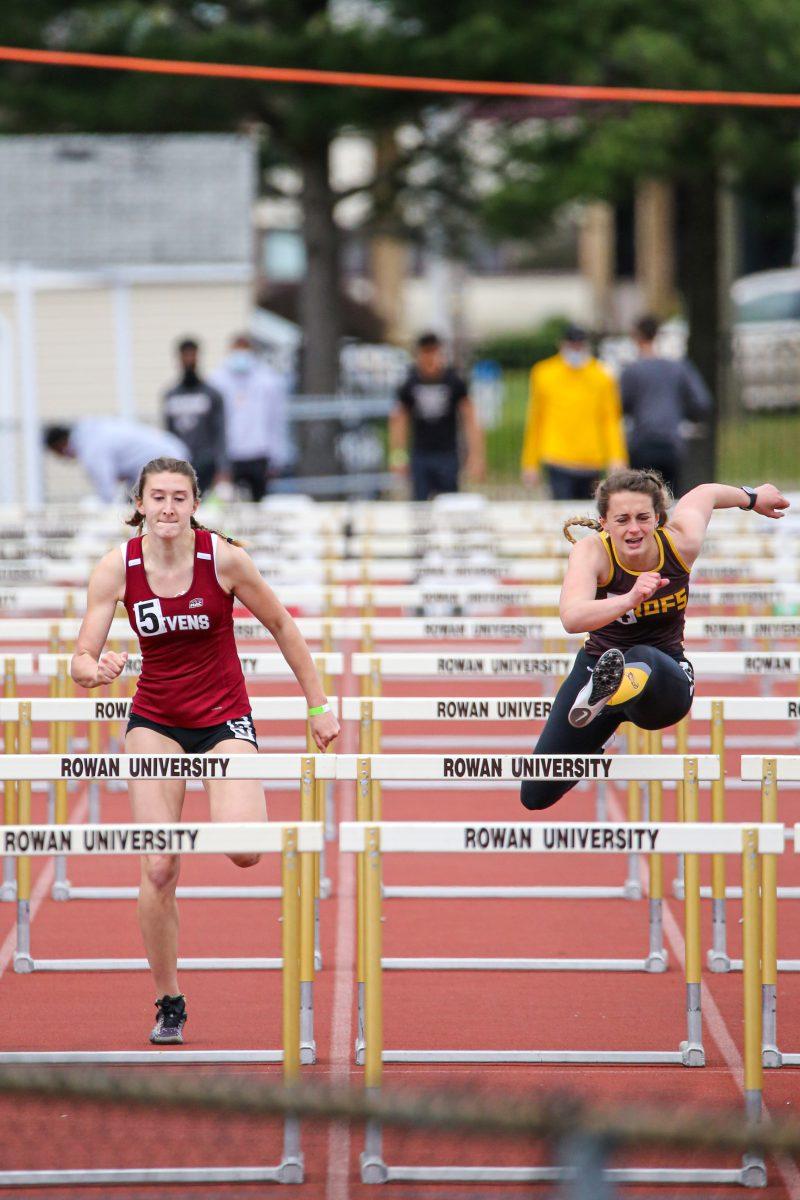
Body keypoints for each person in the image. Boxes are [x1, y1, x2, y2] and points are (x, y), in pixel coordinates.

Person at [70, 456, 339, 1044]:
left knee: (245, 850)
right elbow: (80, 660)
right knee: (160, 865)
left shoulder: (225, 559)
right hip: (155, 720)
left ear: (195, 504)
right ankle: (169, 999)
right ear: (139, 502)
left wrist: (318, 706)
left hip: (223, 719)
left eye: (179, 498)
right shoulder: (116, 568)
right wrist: (98, 669)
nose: (167, 508)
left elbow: (283, 628)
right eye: (157, 497)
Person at [520, 469, 789, 812]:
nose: (634, 529)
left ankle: (619, 687)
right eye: (622, 519)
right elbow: (572, 617)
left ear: (659, 518)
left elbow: (704, 493)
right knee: (535, 794)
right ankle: (607, 708)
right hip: (597, 664)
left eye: (644, 518)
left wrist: (752, 498)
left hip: (666, 677)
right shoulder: (592, 553)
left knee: (641, 655)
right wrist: (629, 599)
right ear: (604, 522)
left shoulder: (679, 542)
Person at [520, 324, 627, 500]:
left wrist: (617, 456)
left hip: (591, 458)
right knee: (564, 517)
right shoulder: (544, 373)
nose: (576, 351)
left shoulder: (602, 375)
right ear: (561, 345)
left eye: (579, 346)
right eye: (572, 346)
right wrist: (530, 462)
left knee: (589, 518)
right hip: (558, 457)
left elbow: (610, 419)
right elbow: (535, 419)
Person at [620, 315, 712, 494]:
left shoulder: (631, 371)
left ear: (636, 337)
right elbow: (701, 401)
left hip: (641, 442)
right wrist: (679, 413)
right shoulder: (678, 368)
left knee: (643, 496)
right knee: (669, 496)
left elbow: (620, 405)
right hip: (671, 442)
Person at [390, 333, 485, 500]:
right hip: (421, 453)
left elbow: (470, 418)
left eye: (434, 353)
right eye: (426, 353)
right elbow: (399, 420)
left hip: (447, 453)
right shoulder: (410, 383)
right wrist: (398, 456)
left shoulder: (453, 382)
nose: (430, 359)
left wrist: (476, 455)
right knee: (420, 506)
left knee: (450, 503)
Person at [209, 334, 290, 501]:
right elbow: (213, 424)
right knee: (228, 505)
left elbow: (276, 421)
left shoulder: (268, 380)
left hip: (258, 454)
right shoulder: (216, 381)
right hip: (229, 455)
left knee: (259, 504)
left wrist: (277, 457)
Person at [43, 419, 188, 504]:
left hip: (165, 460)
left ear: (60, 446)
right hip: (169, 453)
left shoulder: (91, 448)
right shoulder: (92, 433)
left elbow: (107, 493)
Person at [161, 337, 227, 494]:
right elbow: (168, 434)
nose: (189, 360)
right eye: (185, 356)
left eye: (192, 355)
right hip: (180, 464)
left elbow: (220, 433)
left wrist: (223, 468)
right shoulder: (171, 395)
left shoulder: (211, 394)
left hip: (206, 463)